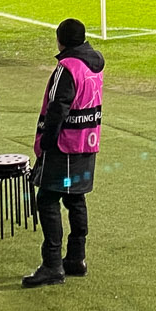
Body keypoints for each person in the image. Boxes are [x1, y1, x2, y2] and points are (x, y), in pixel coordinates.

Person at [22, 17, 103, 288]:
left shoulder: (66, 68)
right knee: (76, 199)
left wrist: (46, 143)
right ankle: (76, 258)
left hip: (64, 145)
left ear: (61, 39)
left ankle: (52, 264)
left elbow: (58, 107)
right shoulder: (95, 64)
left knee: (47, 200)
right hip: (87, 141)